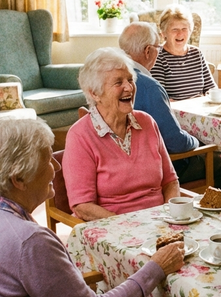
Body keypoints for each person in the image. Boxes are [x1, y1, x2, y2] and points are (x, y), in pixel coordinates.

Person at [0, 117, 187, 297]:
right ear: (18, 178)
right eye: (47, 159)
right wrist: (157, 267)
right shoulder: (30, 242)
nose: (57, 166)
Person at [64, 47, 181, 220]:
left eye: (130, 80)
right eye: (118, 83)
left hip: (160, 221)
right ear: (95, 93)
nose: (129, 87)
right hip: (112, 226)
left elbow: (170, 181)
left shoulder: (147, 122)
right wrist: (127, 225)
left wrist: (171, 215)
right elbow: (83, 206)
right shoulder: (80, 136)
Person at [118, 22, 221, 190]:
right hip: (158, 167)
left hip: (121, 165)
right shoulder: (149, 87)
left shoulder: (110, 80)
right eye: (157, 48)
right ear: (148, 51)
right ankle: (213, 205)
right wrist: (196, 141)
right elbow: (176, 143)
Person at [150, 4, 216, 100]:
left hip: (200, 107)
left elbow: (211, 88)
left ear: (190, 31)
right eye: (174, 29)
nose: (180, 33)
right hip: (175, 109)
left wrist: (210, 97)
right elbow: (160, 98)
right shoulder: (157, 56)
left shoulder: (197, 53)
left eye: (184, 29)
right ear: (164, 33)